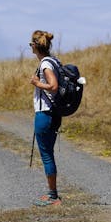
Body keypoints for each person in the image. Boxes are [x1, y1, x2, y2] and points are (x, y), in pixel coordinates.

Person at [29, 30, 63, 206]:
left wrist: (36, 83)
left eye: (30, 45)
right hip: (54, 113)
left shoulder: (45, 64)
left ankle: (53, 196)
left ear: (36, 45)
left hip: (45, 113)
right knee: (48, 153)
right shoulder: (54, 61)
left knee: (47, 155)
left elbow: (53, 86)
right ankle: (53, 193)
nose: (30, 47)